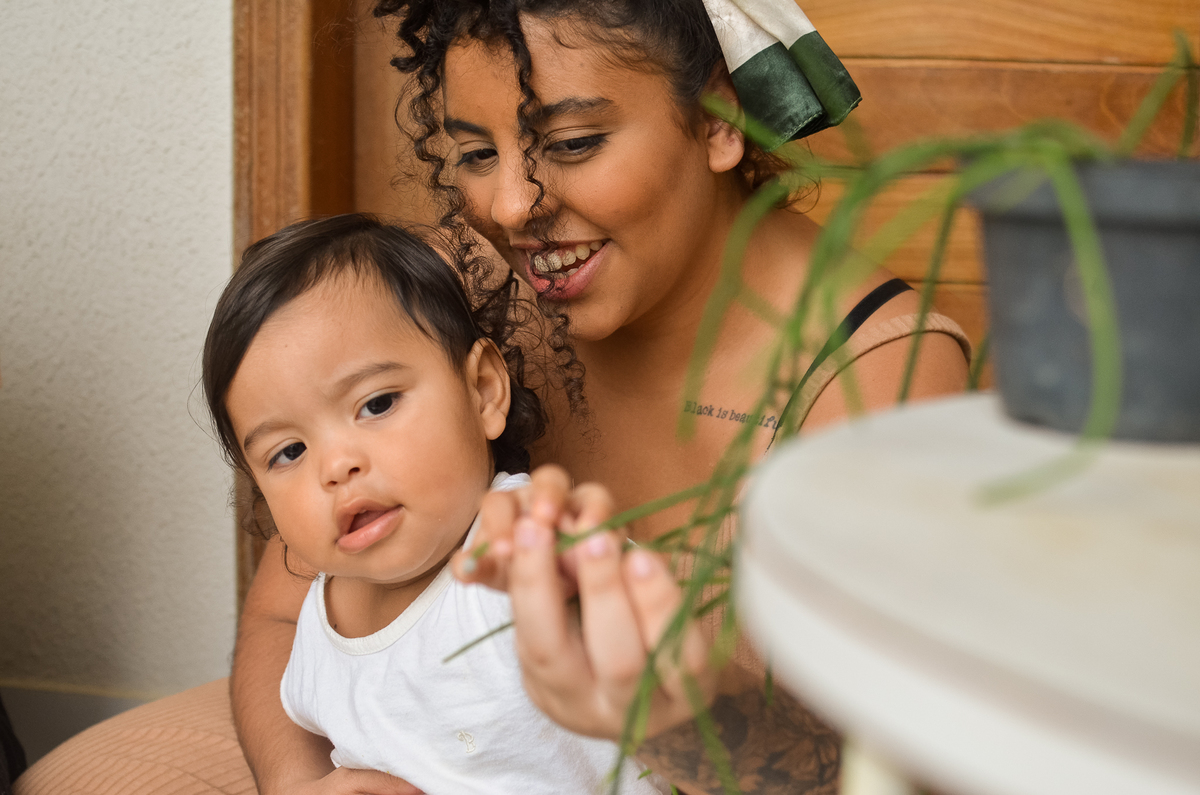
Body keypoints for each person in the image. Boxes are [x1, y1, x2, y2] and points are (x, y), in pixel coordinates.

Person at [14, 2, 970, 794]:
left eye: (574, 142)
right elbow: (285, 602)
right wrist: (300, 781)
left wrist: (669, 710)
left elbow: (856, 766)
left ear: (721, 119)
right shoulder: (466, 282)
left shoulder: (877, 368)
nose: (514, 208)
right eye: (477, 154)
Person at [204, 213, 668, 794]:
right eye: (289, 451)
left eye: (376, 404)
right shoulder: (316, 638)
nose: (335, 466)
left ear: (483, 391)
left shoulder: (514, 545)